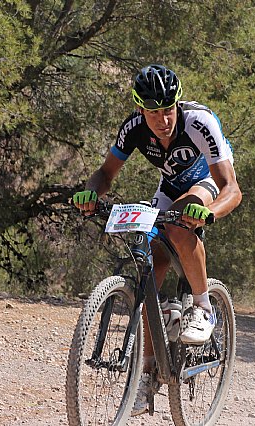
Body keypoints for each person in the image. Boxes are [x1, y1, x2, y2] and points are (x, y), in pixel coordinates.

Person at [72, 64, 242, 416]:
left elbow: (231, 188)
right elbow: (105, 174)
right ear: (140, 110)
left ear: (177, 104)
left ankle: (203, 307)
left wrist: (209, 213)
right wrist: (90, 193)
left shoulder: (199, 122)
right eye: (154, 112)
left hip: (205, 182)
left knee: (181, 226)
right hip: (169, 188)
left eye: (168, 110)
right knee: (148, 261)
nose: (163, 120)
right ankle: (146, 373)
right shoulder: (133, 129)